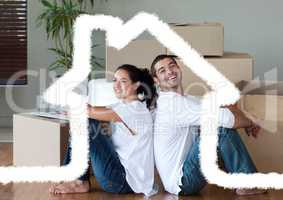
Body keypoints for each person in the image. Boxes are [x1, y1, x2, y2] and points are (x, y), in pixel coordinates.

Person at [150, 54, 266, 196]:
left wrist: (247, 116)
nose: (169, 71)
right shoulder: (174, 105)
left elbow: (223, 106)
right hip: (183, 181)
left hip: (188, 171)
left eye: (172, 66)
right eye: (162, 70)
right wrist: (251, 122)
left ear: (179, 68)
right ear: (156, 80)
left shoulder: (184, 100)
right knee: (218, 128)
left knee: (219, 116)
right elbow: (229, 120)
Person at [49, 64, 157, 196]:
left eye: (123, 81)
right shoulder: (123, 106)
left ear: (136, 85)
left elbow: (87, 112)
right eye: (115, 80)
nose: (116, 85)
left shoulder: (133, 110)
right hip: (121, 176)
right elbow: (90, 109)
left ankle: (78, 181)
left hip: (122, 181)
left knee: (86, 122)